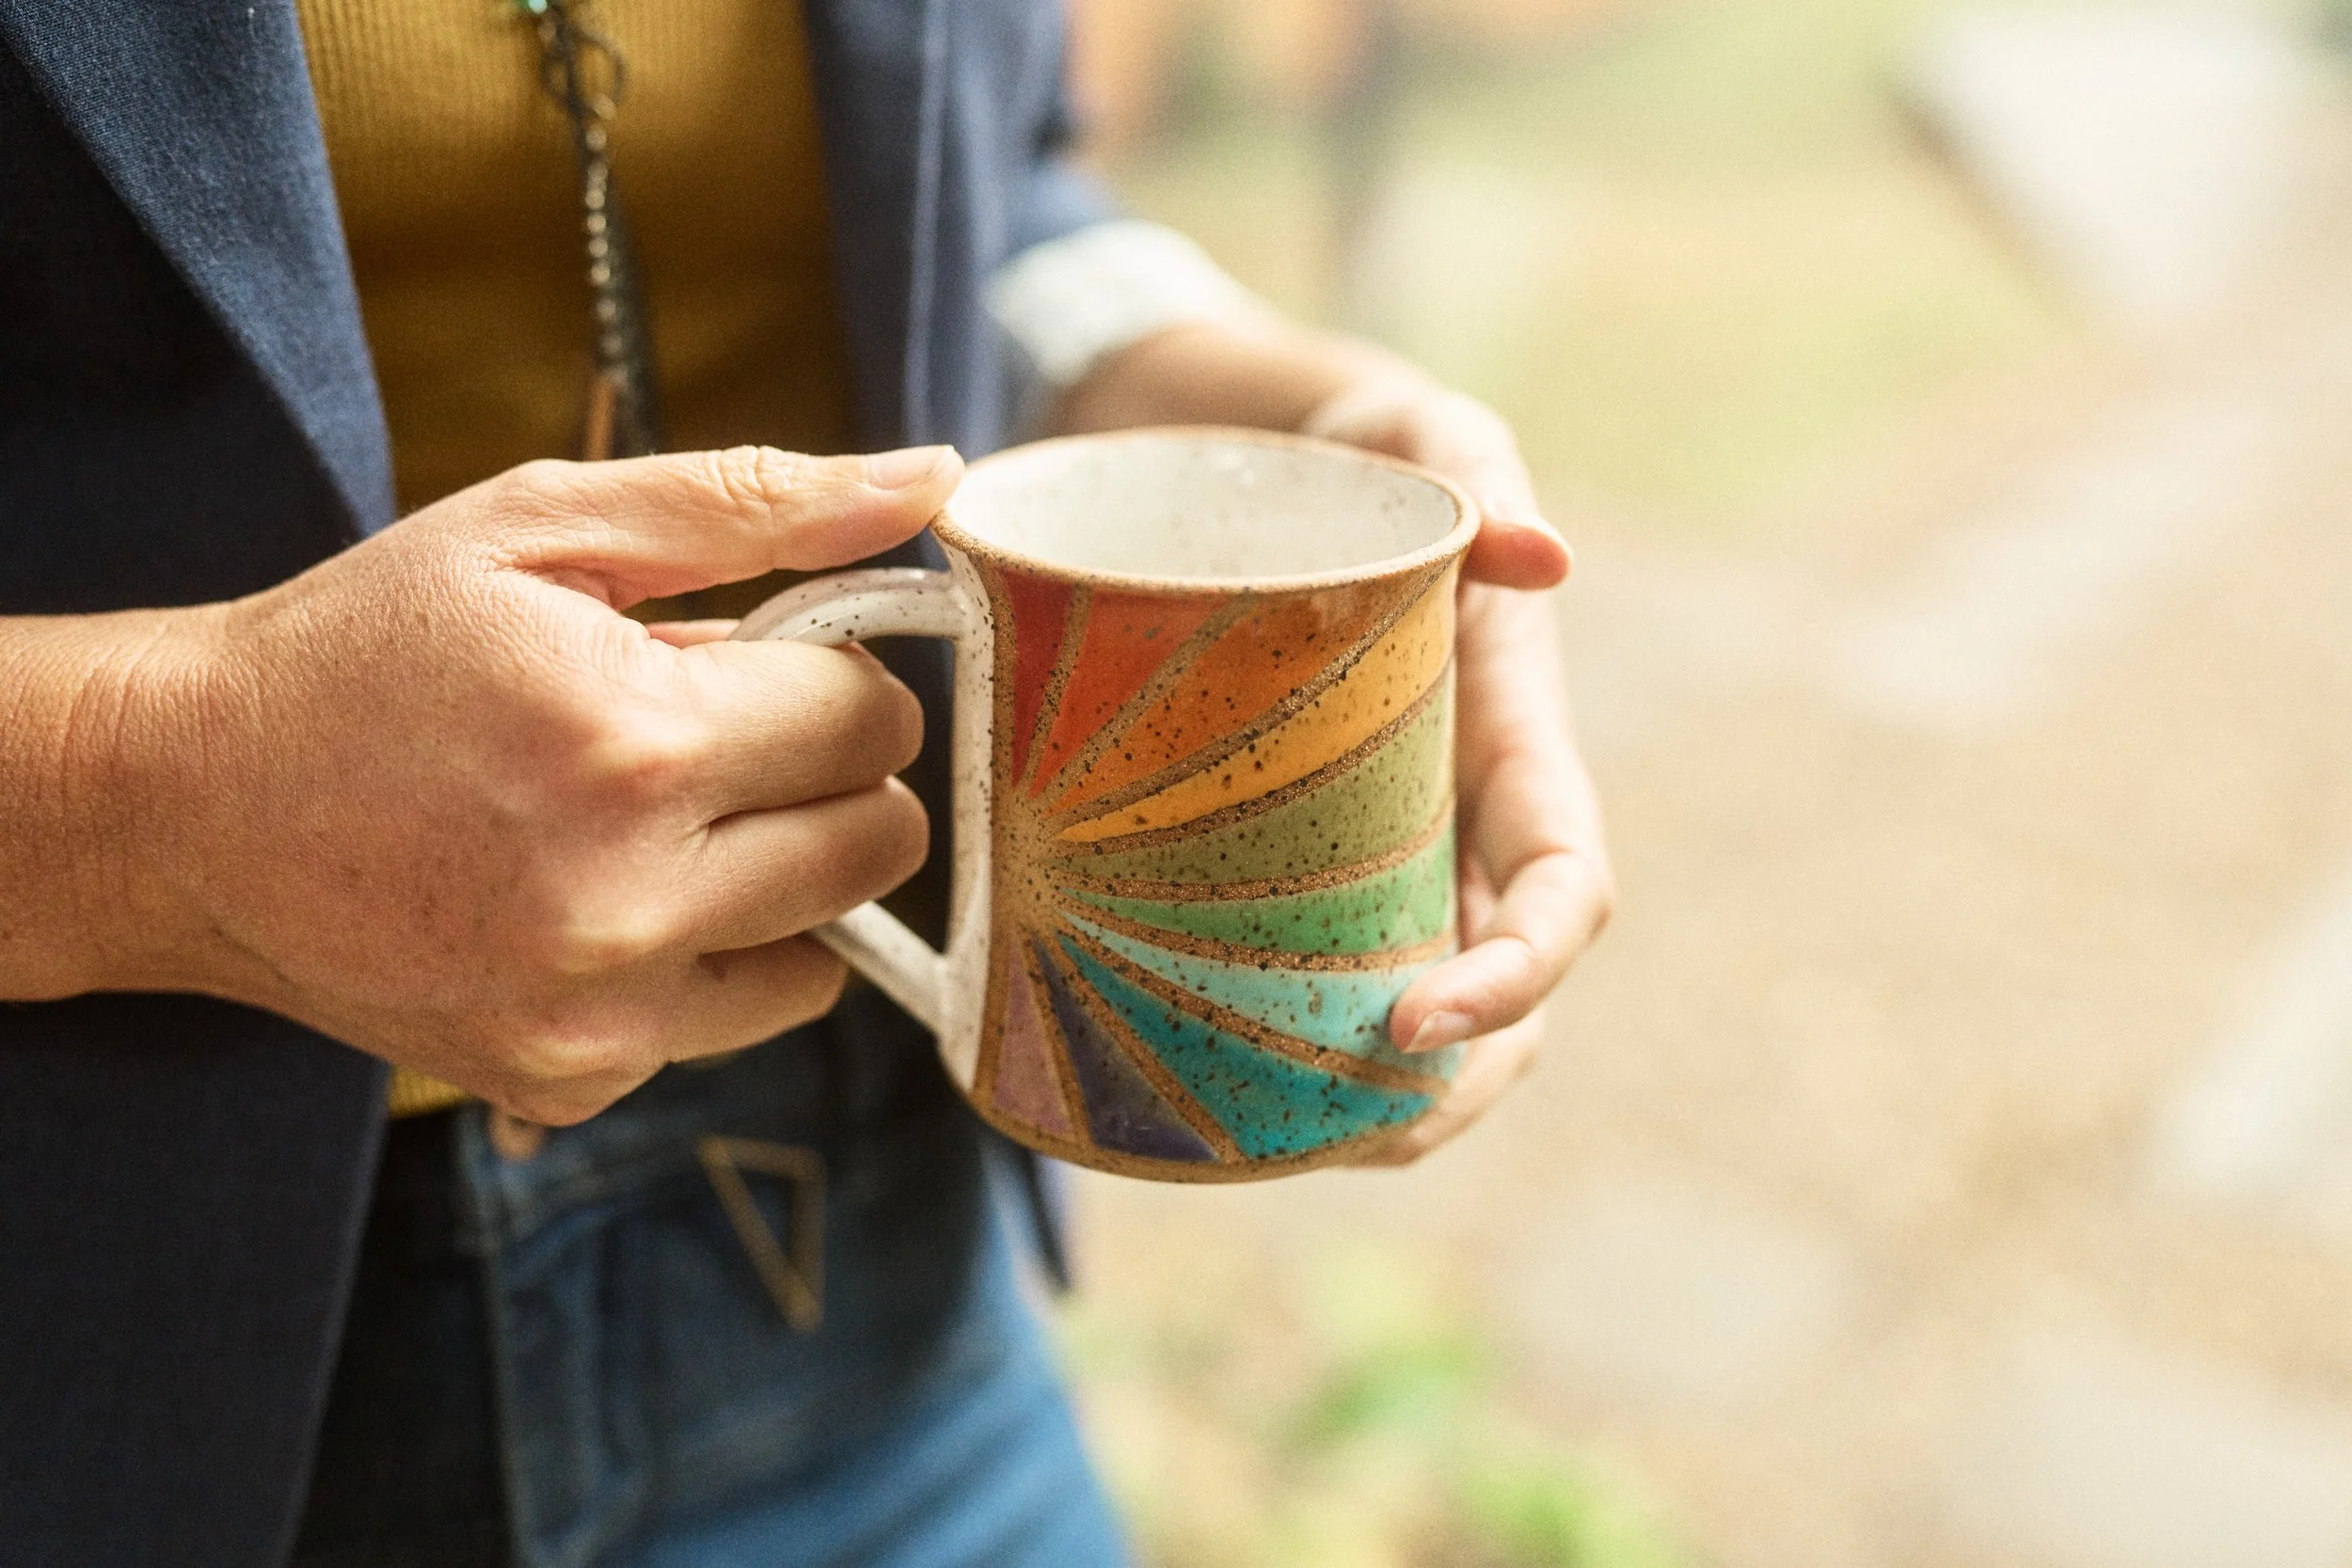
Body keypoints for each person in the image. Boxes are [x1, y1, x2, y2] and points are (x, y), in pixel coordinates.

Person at [0, 2, 1613, 1564]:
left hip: (861, 1252)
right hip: (111, 1345)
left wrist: (1273, 414)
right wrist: (151, 789)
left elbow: (1001, 185)